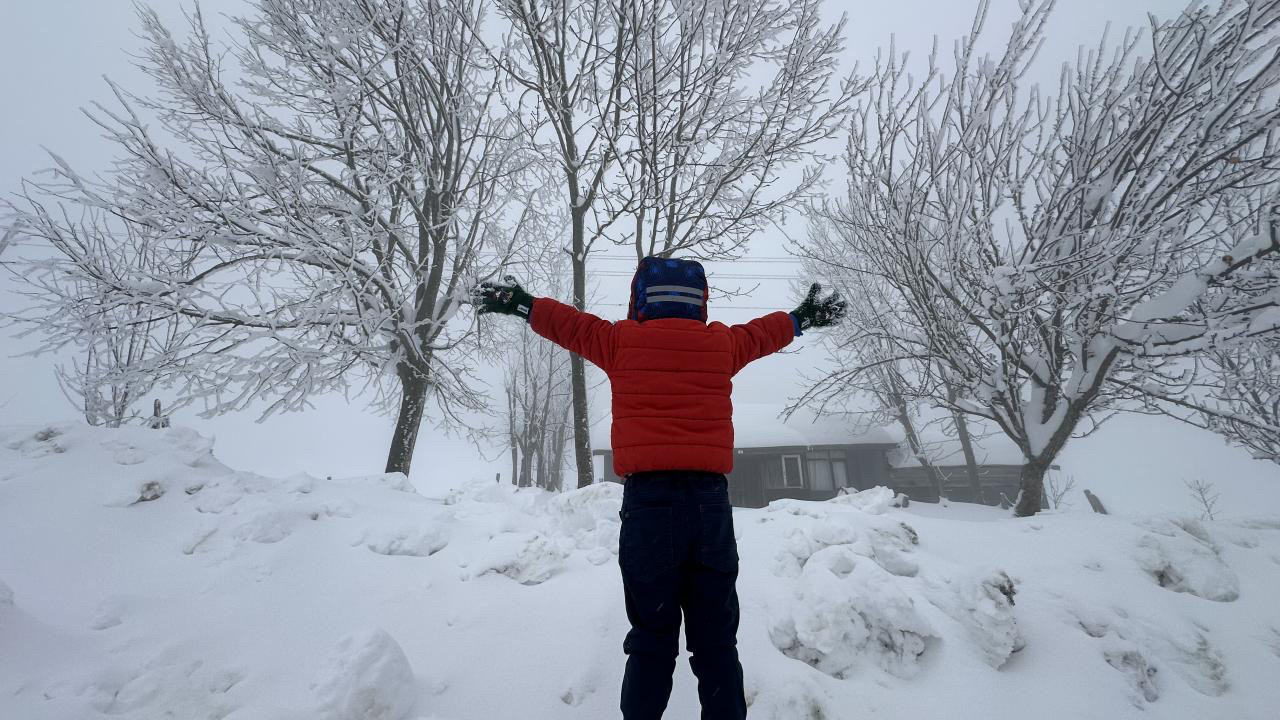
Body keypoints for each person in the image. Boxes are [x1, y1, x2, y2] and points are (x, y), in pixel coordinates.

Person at [472, 257, 845, 720]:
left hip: (649, 509)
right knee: (716, 644)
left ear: (641, 297)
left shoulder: (621, 342)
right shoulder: (721, 345)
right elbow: (765, 333)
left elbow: (569, 325)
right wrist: (802, 318)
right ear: (699, 300)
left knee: (652, 639)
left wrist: (524, 305)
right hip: (710, 507)